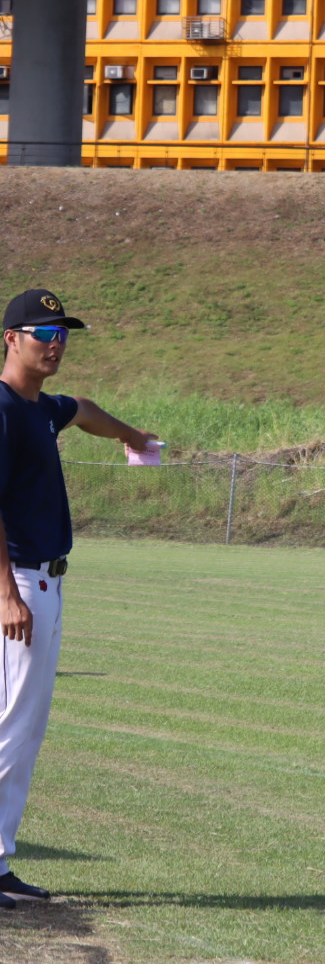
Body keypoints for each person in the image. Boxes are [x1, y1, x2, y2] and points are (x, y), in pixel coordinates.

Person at [0, 288, 155, 909]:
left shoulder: (39, 408)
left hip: (42, 583)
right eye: (43, 332)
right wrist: (7, 594)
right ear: (11, 338)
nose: (56, 342)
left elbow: (84, 410)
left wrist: (132, 436)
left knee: (20, 728)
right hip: (18, 584)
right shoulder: (3, 409)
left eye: (62, 333)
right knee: (14, 728)